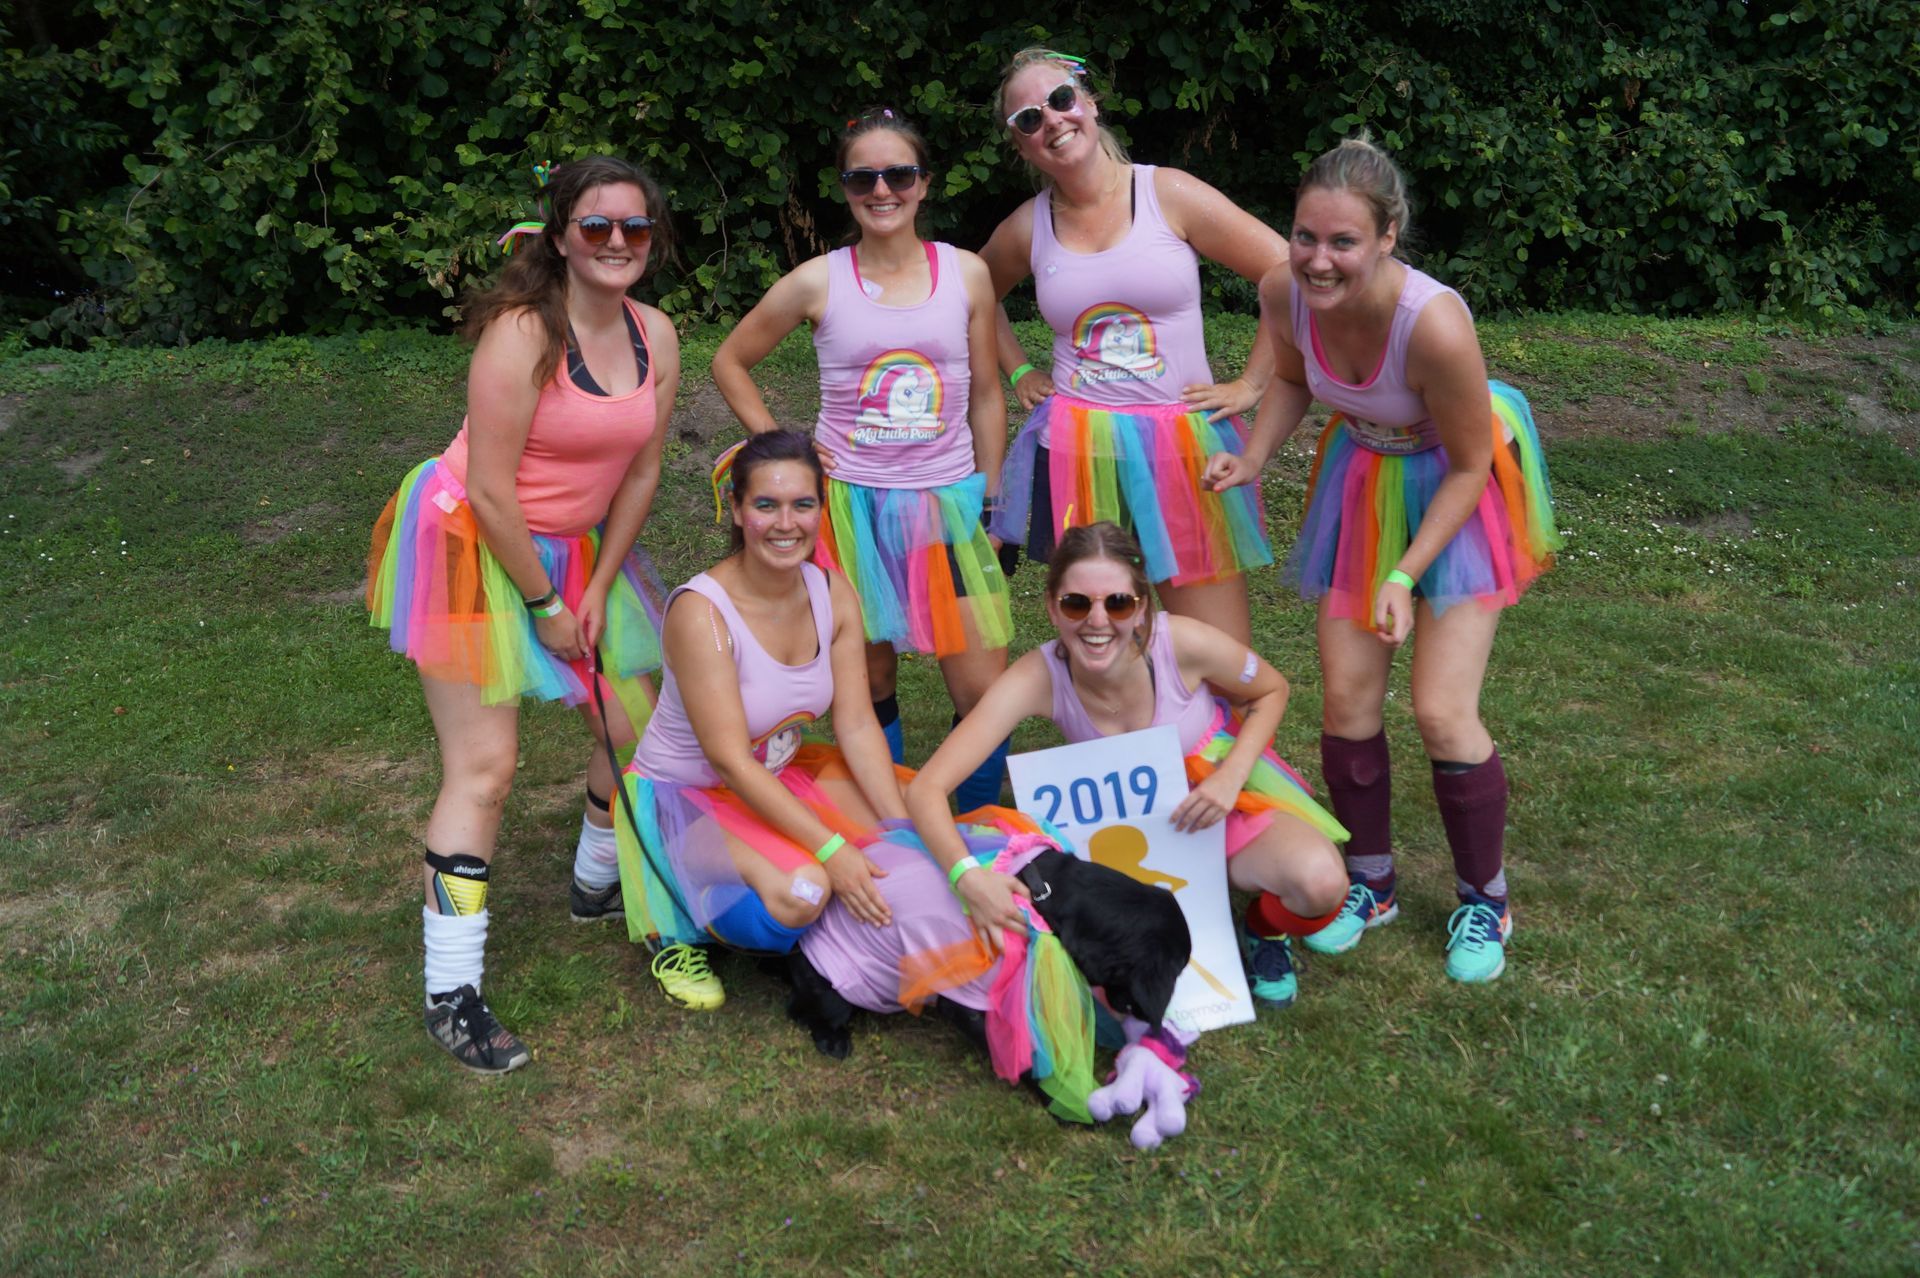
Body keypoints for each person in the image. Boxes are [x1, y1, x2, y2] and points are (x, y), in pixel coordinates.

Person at [1204, 134, 1562, 983]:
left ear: (1388, 236)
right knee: (1348, 699)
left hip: (1459, 486)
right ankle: (1371, 884)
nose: (1317, 260)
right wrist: (1253, 457)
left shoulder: (1432, 323)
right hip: (1364, 478)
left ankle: (1486, 899)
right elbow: (1293, 379)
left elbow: (1471, 466)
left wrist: (1404, 574)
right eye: (1305, 236)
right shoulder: (1284, 290)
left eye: (1343, 242)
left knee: (1442, 710)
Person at [365, 156, 680, 1071]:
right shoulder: (521, 334)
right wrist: (545, 603)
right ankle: (451, 991)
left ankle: (594, 883)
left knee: (634, 725)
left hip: (579, 549)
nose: (617, 242)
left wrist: (598, 583)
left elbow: (643, 472)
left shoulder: (657, 335)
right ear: (562, 236)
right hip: (474, 543)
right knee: (485, 770)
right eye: (597, 226)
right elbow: (493, 492)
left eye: (634, 227)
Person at [906, 522, 1350, 1009]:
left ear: (1141, 608)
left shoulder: (1182, 643)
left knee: (1320, 883)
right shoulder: (1037, 676)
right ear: (1052, 606)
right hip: (1122, 829)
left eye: (1117, 603)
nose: (1097, 621)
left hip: (1220, 798)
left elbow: (1271, 689)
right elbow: (927, 788)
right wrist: (968, 877)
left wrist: (1231, 775)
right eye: (1077, 604)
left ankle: (1263, 929)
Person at [712, 108, 1013, 805]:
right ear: (844, 189)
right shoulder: (818, 281)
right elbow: (730, 360)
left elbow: (987, 394)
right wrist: (784, 447)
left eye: (898, 174)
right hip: (850, 511)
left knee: (983, 688)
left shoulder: (966, 274)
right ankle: (891, 825)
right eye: (862, 178)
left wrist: (992, 497)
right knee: (869, 681)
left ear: (924, 183)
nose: (882, 190)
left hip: (946, 503)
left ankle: (975, 827)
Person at [979, 48, 1287, 645]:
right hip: (1081, 448)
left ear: (1090, 103)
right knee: (1106, 634)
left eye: (1062, 100)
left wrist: (1252, 382)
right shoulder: (1027, 226)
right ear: (1021, 144)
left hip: (1182, 444)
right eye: (1030, 119)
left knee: (1217, 646)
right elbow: (973, 292)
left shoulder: (1167, 193)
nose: (1053, 120)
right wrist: (1017, 370)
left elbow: (1285, 271)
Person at [612, 430, 910, 1010]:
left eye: (803, 504)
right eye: (766, 505)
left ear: (821, 509)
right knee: (805, 889)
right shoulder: (703, 613)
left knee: (903, 832)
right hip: (685, 800)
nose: (786, 523)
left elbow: (855, 725)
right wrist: (830, 850)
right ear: (737, 509)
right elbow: (727, 759)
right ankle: (679, 922)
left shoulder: (833, 593)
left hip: (774, 778)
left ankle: (804, 900)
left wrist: (901, 827)